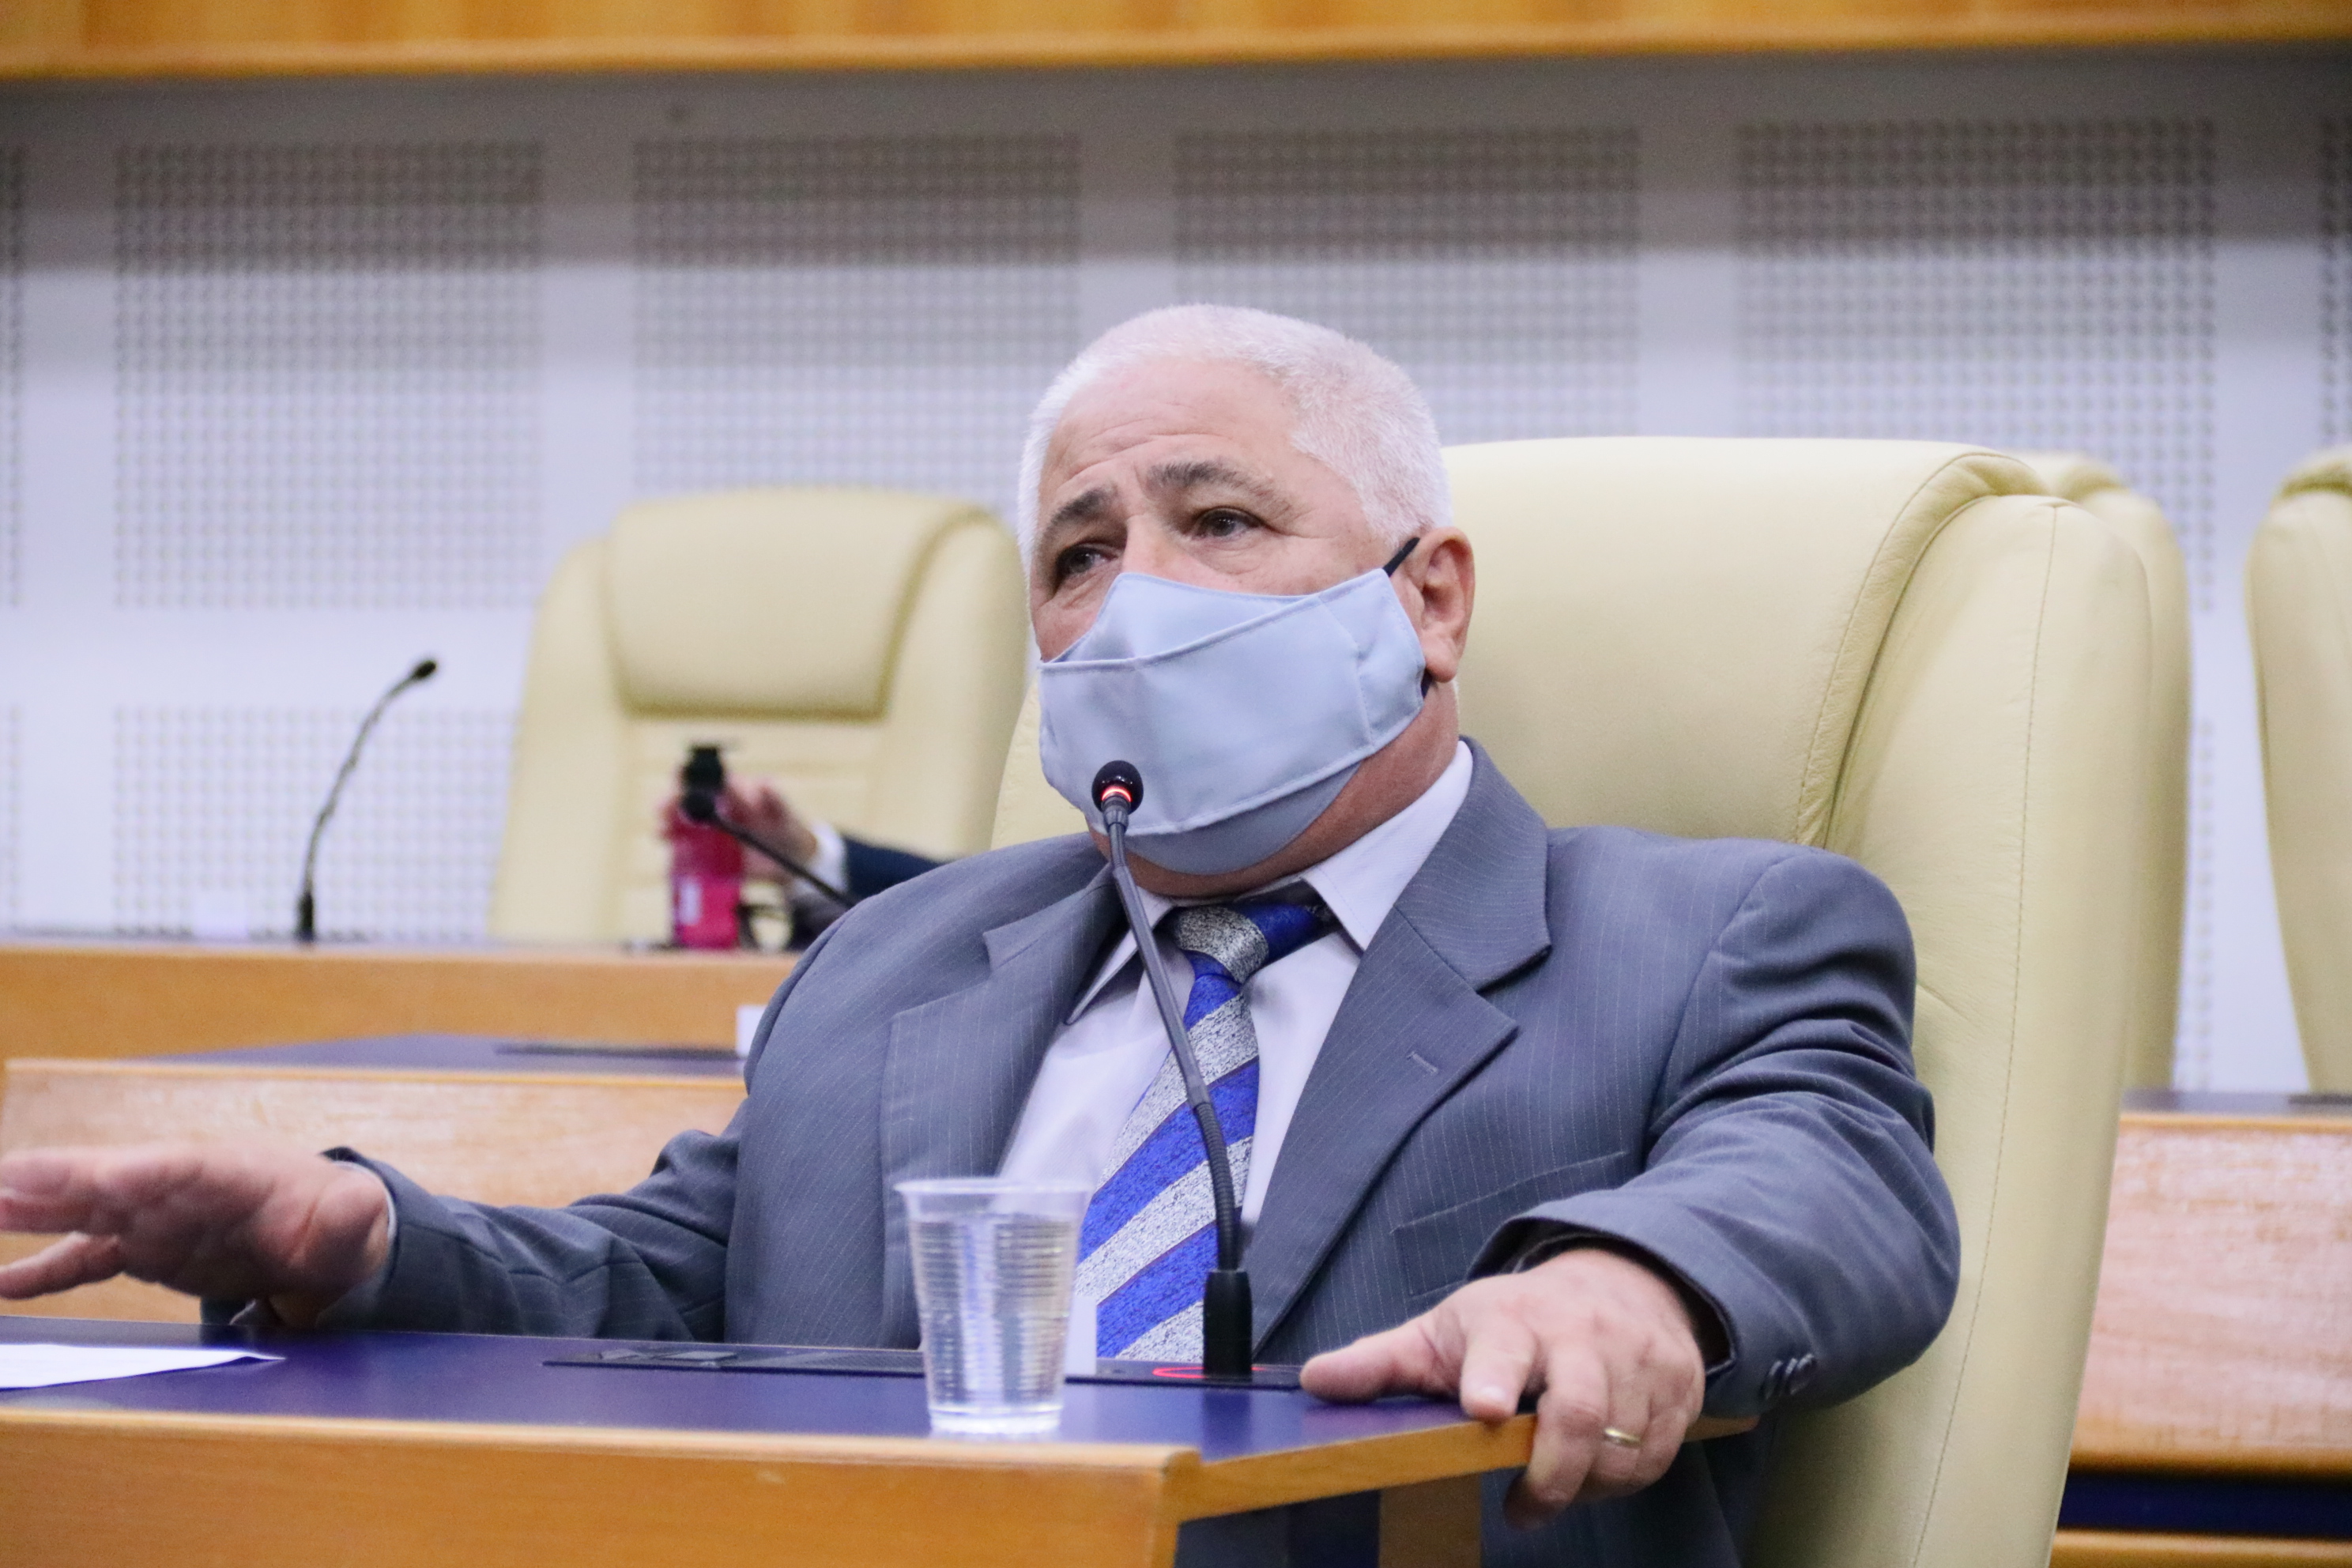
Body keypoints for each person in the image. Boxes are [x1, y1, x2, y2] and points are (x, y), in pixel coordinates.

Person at [0, 305, 1958, 1567]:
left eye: (1218, 520)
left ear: (1428, 598)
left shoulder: (1706, 930)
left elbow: (1827, 1175)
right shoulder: (903, 956)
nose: (1137, 600)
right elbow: (679, 1289)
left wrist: (1626, 1281)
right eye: (1081, 553)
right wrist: (356, 1239)